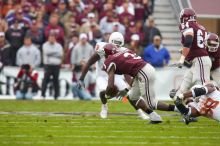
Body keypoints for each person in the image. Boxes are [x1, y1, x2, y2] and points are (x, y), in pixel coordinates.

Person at [77, 32, 151, 120]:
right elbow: (89, 63)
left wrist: (131, 85)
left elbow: (126, 71)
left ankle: (140, 112)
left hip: (115, 75)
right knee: (103, 91)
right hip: (101, 74)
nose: (117, 46)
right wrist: (81, 79)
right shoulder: (102, 49)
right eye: (115, 42)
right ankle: (104, 106)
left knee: (129, 94)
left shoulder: (122, 51)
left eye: (119, 43)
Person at [102, 44, 178, 123]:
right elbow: (135, 72)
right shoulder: (124, 51)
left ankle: (181, 109)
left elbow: (110, 86)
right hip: (143, 70)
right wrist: (126, 89)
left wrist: (107, 94)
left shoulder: (111, 60)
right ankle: (154, 117)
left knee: (151, 104)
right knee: (133, 97)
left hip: (143, 72)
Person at [173, 8, 212, 96]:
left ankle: (210, 106)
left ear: (184, 17)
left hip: (200, 60)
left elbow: (188, 40)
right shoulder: (202, 27)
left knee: (201, 88)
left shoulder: (187, 24)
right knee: (184, 87)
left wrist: (182, 59)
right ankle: (180, 102)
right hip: (198, 60)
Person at [71, 33, 94, 100]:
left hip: (88, 67)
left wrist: (92, 65)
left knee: (90, 80)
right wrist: (75, 65)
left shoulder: (90, 47)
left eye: (85, 38)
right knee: (80, 80)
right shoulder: (76, 47)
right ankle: (81, 94)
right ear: (80, 39)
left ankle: (84, 93)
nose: (84, 40)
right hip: (79, 68)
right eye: (82, 39)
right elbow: (73, 59)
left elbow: (92, 57)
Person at [41, 31, 63, 99]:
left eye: (53, 38)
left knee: (56, 80)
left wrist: (51, 54)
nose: (51, 39)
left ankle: (56, 95)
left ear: (55, 38)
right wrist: (55, 53)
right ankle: (43, 94)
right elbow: (46, 52)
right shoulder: (45, 45)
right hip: (48, 65)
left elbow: (60, 54)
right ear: (48, 38)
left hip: (56, 65)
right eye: (50, 38)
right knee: (45, 80)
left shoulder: (58, 45)